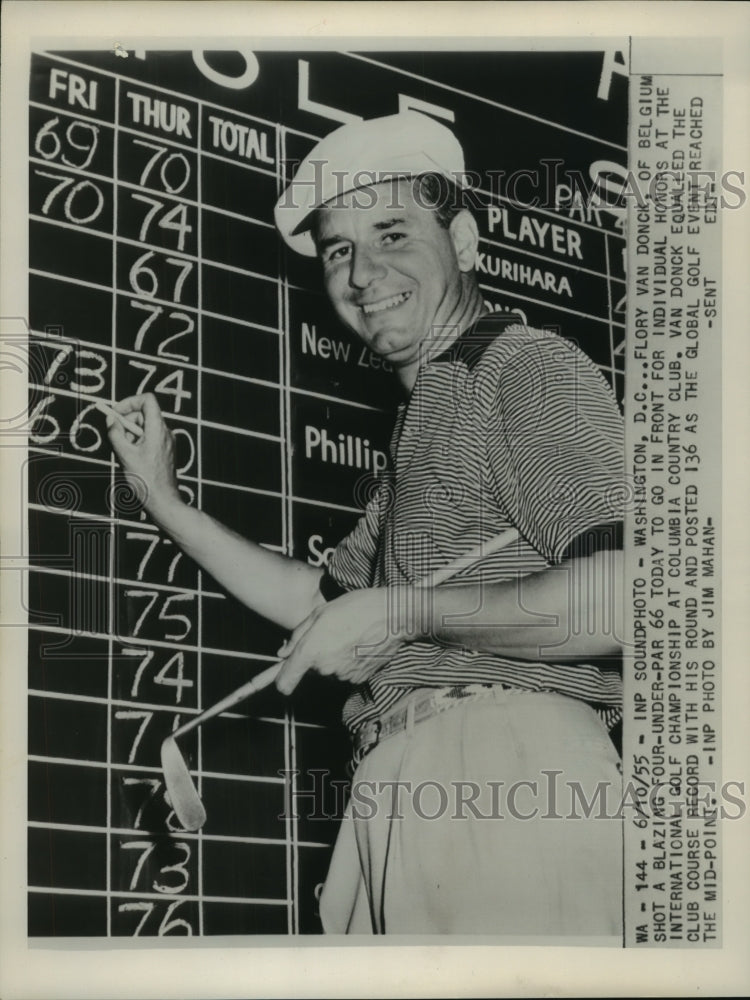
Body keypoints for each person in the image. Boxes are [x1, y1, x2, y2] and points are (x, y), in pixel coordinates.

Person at [108, 111, 625, 937]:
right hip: (401, 787)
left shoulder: (523, 367)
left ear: (462, 239)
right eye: (339, 248)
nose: (361, 273)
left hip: (504, 773)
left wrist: (402, 612)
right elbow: (316, 600)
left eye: (392, 232)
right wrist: (165, 500)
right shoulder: (429, 418)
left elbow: (630, 601)